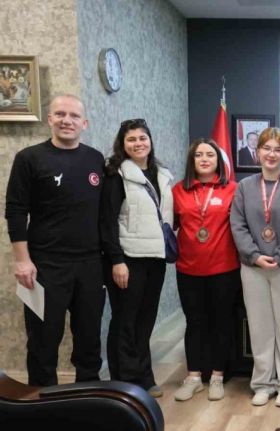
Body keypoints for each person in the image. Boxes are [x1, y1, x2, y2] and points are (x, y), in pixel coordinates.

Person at [5, 94, 105, 386]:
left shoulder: (95, 159)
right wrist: (22, 261)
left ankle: (88, 395)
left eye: (74, 116)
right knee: (43, 341)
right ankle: (41, 402)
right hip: (45, 265)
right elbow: (15, 211)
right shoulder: (29, 158)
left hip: (90, 264)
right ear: (50, 119)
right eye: (60, 114)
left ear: (84, 123)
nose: (66, 120)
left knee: (89, 340)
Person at [231, 128, 280, 407]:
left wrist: (279, 256)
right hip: (253, 268)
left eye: (277, 149)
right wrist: (254, 256)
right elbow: (237, 225)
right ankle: (263, 383)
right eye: (266, 148)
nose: (271, 154)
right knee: (260, 327)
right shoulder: (244, 187)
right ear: (258, 152)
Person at [101, 118, 174, 397]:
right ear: (123, 144)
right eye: (131, 139)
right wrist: (116, 260)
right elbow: (107, 222)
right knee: (125, 321)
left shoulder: (161, 174)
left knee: (145, 320)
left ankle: (144, 375)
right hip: (127, 260)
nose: (138, 143)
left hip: (155, 257)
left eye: (142, 138)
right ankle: (125, 381)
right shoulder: (115, 174)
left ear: (150, 140)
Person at [171, 138, 240, 402]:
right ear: (192, 160)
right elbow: (169, 225)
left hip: (224, 268)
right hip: (188, 269)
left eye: (209, 155)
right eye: (198, 155)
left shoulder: (232, 189)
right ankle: (193, 377)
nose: (204, 159)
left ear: (218, 161)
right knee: (194, 322)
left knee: (222, 322)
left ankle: (218, 376)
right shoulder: (178, 190)